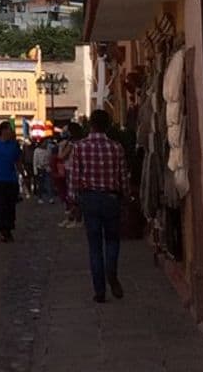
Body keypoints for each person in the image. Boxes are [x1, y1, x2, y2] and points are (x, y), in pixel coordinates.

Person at [70, 109, 130, 303]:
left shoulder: (80, 147)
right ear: (108, 125)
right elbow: (123, 177)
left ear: (91, 125)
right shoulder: (116, 147)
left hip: (90, 199)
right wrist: (126, 198)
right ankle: (111, 272)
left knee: (94, 246)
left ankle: (99, 290)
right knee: (112, 240)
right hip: (111, 199)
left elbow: (75, 177)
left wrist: (74, 202)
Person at [0, 121, 21, 242]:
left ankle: (9, 228)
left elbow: (18, 161)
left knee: (10, 206)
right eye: (7, 130)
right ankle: (3, 230)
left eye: (10, 130)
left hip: (11, 179)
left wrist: (23, 175)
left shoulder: (14, 145)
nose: (9, 132)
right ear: (2, 131)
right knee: (0, 206)